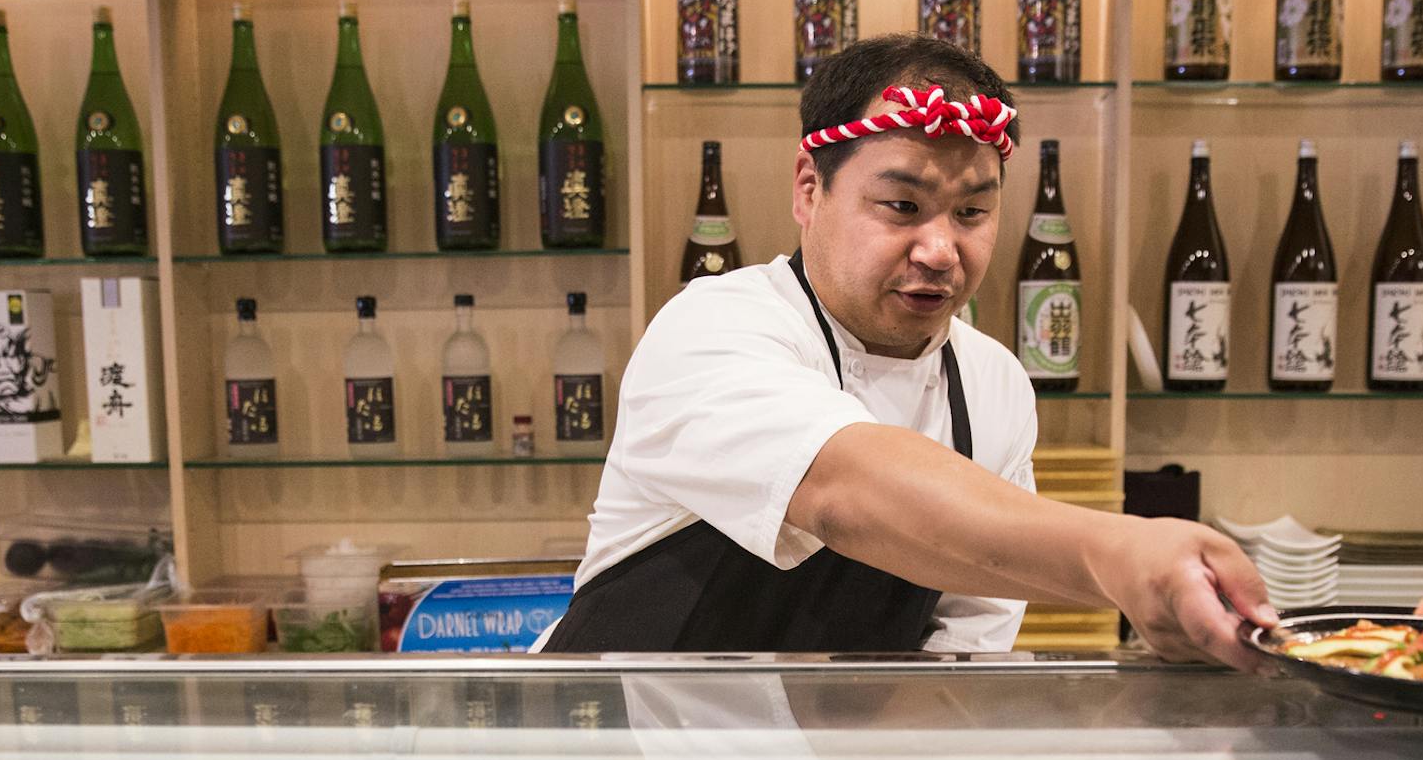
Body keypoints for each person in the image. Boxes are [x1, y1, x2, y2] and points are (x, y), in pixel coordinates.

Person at [541, 34, 1271, 667]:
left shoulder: (994, 386)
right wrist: (1117, 553)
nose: (940, 250)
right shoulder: (712, 329)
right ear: (808, 189)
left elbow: (961, 646)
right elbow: (844, 487)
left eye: (973, 212)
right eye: (902, 207)